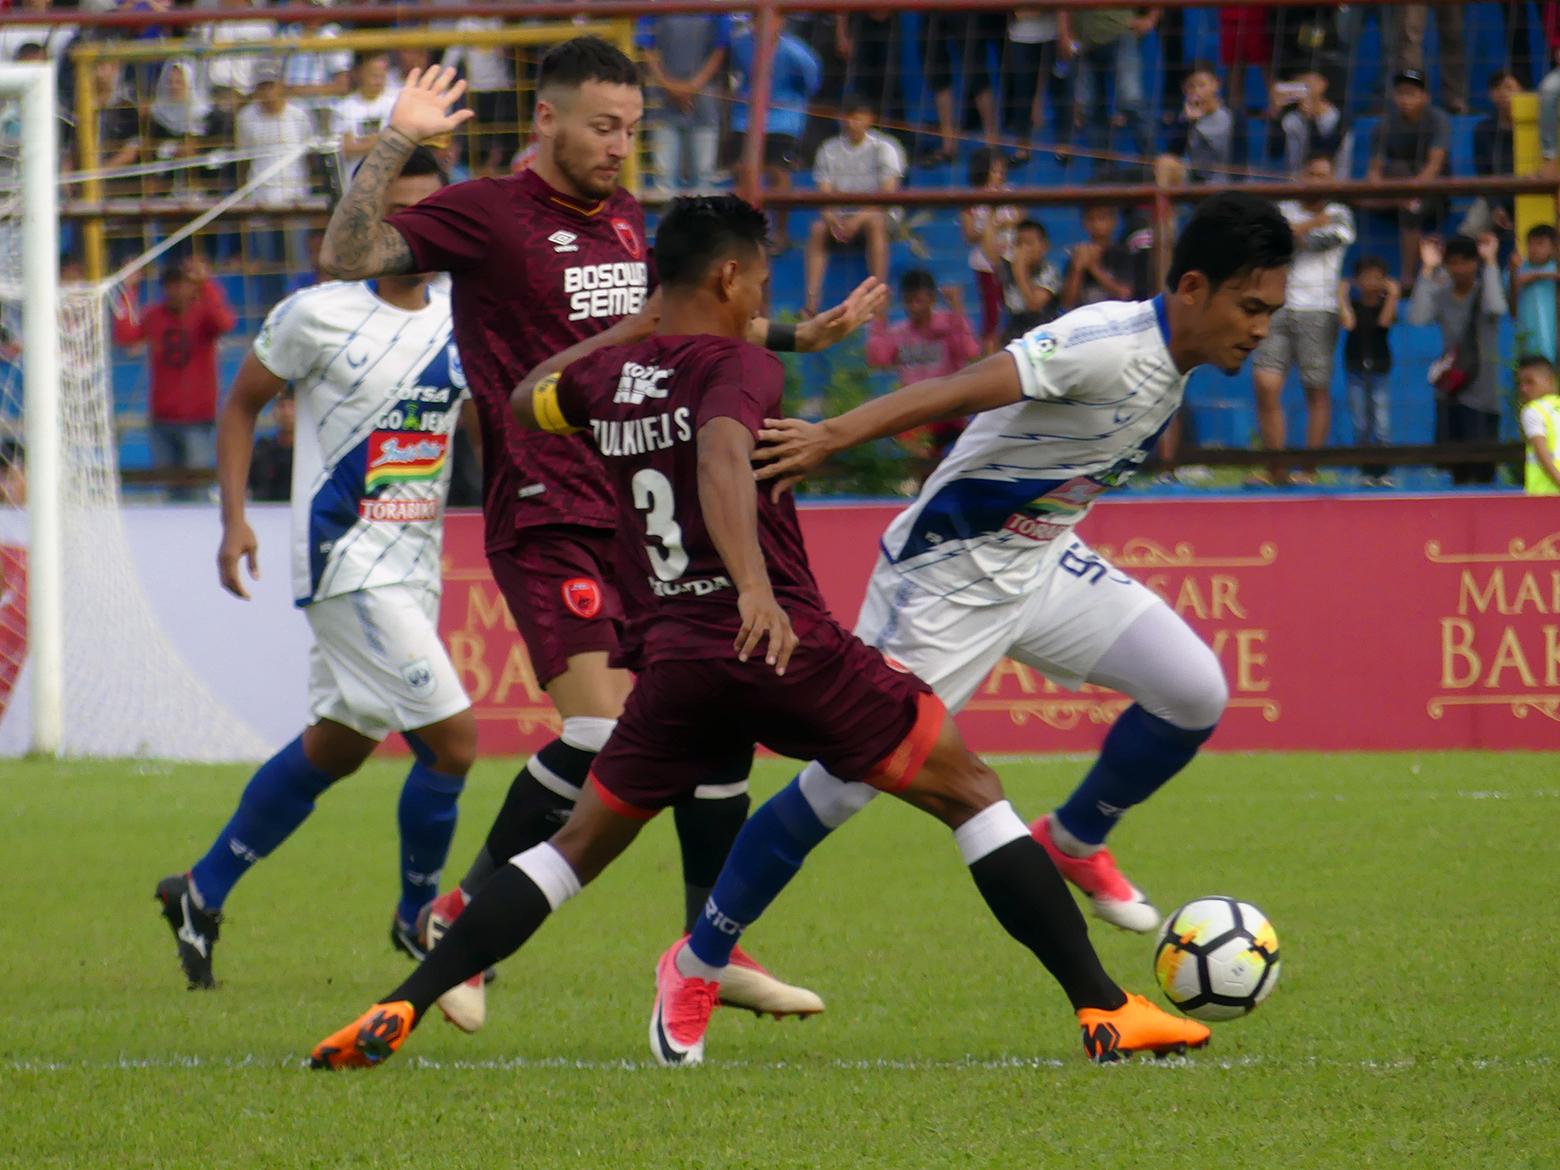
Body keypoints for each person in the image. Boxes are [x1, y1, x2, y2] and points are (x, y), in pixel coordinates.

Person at [306, 195, 1211, 1072]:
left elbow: (524, 400)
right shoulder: (739, 367)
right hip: (780, 649)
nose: (766, 303)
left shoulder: (608, 378)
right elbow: (722, 458)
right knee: (971, 792)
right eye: (764, 282)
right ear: (733, 277)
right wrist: (752, 588)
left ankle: (407, 999)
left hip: (670, 667)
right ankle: (1104, 1005)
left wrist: (625, 331)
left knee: (571, 849)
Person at [313, 39, 883, 1027]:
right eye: (602, 127)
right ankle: (461, 919)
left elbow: (669, 320)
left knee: (719, 720)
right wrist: (395, 140)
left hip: (638, 512)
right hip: (546, 511)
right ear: (547, 120)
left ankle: (715, 943)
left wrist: (793, 335)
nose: (621, 146)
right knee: (599, 730)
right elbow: (348, 254)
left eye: (631, 129)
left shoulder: (626, 217)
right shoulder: (487, 213)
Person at [694, 193, 1292, 1000]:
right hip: (947, 574)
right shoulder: (1105, 342)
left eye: (1271, 312)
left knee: (1192, 691)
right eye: (1250, 307)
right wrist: (832, 435)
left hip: (1042, 564)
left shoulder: (1176, 364)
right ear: (1192, 287)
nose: (1259, 330)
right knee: (844, 783)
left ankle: (1075, 838)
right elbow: (971, 385)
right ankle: (706, 952)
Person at [154, 150, 480, 994]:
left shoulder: (463, 313)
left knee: (341, 742)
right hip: (346, 557)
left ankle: (200, 890)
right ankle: (419, 919)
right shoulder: (319, 314)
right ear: (369, 224)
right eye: (398, 216)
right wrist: (232, 522)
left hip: (414, 564)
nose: (416, 233)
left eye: (431, 214)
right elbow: (241, 404)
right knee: (453, 740)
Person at [1251, 153, 1355, 469]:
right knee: (1265, 385)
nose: (1316, 180)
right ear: (1299, 176)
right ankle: (1276, 468)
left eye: (1323, 175)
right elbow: (1276, 242)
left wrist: (1300, 231)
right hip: (1278, 306)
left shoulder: (1341, 213)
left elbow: (1324, 241)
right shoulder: (1282, 210)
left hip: (1320, 309)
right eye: (1311, 173)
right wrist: (1309, 225)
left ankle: (1308, 470)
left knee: (1316, 390)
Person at [111, 258, 236, 502]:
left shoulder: (203, 315)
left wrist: (207, 285)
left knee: (197, 487)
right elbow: (125, 335)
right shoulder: (154, 315)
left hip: (198, 418)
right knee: (168, 490)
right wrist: (130, 290)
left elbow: (225, 322)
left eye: (183, 284)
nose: (177, 290)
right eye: (171, 285)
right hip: (162, 419)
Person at [1408, 234, 1509, 485]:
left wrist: (1492, 262)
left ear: (1475, 263)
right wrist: (1428, 270)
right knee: (1457, 474)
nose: (1460, 268)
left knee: (1484, 472)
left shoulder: (1485, 290)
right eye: (1453, 262)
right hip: (1450, 394)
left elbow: (1497, 308)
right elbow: (1417, 317)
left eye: (1466, 261)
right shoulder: (1441, 294)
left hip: (1483, 397)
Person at [866, 270, 980, 476]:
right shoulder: (899, 332)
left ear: (932, 299)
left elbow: (970, 351)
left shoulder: (948, 324)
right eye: (909, 301)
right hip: (914, 417)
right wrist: (879, 316)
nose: (914, 307)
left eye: (919, 301)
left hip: (947, 414)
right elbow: (878, 359)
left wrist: (957, 309)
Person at [805, 97, 904, 318]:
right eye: (847, 116)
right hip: (841, 217)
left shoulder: (885, 147)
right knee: (817, 229)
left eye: (857, 116)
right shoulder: (828, 149)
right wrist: (831, 218)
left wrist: (856, 220)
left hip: (878, 214)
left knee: (874, 222)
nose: (851, 122)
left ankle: (879, 299)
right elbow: (824, 194)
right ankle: (811, 303)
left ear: (869, 119)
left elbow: (887, 193)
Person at [728, 18, 821, 251]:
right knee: (741, 170)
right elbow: (733, 74)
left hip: (783, 120)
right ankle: (747, 232)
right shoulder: (740, 45)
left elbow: (813, 83)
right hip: (746, 117)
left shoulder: (795, 51)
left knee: (778, 172)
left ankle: (780, 233)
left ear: (780, 22)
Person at [1364, 70, 1450, 290]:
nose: (1405, 99)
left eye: (1411, 93)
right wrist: (1388, 188)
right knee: (1392, 178)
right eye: (1401, 93)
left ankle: (1408, 278)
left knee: (1411, 208)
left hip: (1434, 193)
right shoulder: (1384, 125)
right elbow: (1374, 172)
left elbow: (1434, 166)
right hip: (1397, 189)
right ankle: (1402, 201)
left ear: (1425, 97)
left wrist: (1412, 190)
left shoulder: (1438, 120)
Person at [639, 10, 730, 194]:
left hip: (704, 102)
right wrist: (668, 85)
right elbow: (646, 49)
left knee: (704, 177)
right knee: (664, 178)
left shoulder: (717, 7)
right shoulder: (652, 6)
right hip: (662, 103)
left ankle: (702, 222)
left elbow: (720, 49)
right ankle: (668, 223)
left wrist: (694, 86)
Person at [1339, 256, 1400, 485]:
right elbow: (1348, 324)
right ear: (1356, 281)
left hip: (1379, 370)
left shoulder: (1386, 306)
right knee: (1360, 423)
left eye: (1377, 277)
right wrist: (1341, 296)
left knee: (1381, 422)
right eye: (1366, 277)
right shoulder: (1353, 306)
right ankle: (1364, 470)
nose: (1372, 281)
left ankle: (1384, 471)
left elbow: (1384, 323)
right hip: (1355, 369)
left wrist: (1393, 294)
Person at [959, 148, 1020, 353]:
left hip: (1011, 259)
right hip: (985, 264)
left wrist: (995, 224)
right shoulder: (972, 202)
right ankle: (989, 352)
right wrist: (992, 223)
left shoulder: (1010, 193)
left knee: (1012, 307)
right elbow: (968, 235)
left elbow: (1019, 218)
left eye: (1001, 172)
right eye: (994, 171)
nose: (999, 176)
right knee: (992, 311)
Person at [440, 17, 517, 178]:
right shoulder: (465, 24)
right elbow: (452, 57)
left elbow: (507, 57)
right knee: (474, 138)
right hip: (476, 89)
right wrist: (442, 79)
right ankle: (473, 175)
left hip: (500, 88)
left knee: (499, 137)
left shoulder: (498, 22)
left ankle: (494, 174)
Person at [1461, 71, 1522, 242]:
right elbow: (1483, 175)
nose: (1503, 94)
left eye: (1509, 88)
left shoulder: (1537, 127)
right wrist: (1495, 206)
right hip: (1497, 194)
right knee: (1470, 230)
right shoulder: (1483, 130)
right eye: (1497, 88)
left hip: (1530, 193)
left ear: (1523, 91)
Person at [1154, 67, 1235, 189]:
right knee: (1165, 162)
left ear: (1216, 85)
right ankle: (1165, 207)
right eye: (1191, 86)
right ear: (1184, 89)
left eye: (1202, 85)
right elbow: (1174, 153)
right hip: (1195, 178)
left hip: (1225, 179)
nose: (1196, 91)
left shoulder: (1231, 115)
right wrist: (1188, 123)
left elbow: (1238, 155)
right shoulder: (1185, 116)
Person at [1272, 69, 1351, 178]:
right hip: (1297, 185)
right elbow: (1274, 152)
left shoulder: (1339, 117)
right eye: (1298, 82)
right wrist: (1276, 113)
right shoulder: (1291, 119)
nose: (1303, 86)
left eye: (1307, 82)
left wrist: (1310, 119)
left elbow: (1323, 156)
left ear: (1322, 84)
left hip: (1333, 185)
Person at [993, 219, 1063, 341]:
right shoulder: (1006, 269)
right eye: (1019, 244)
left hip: (1042, 332)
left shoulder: (1049, 271)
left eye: (1029, 243)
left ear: (1044, 246)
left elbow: (1034, 305)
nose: (1023, 249)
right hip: (1014, 331)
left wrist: (1020, 272)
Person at [335, 51, 400, 179]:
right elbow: (346, 149)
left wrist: (364, 142)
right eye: (374, 75)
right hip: (355, 178)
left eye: (382, 75)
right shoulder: (344, 107)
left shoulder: (396, 101)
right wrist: (383, 139)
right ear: (359, 74)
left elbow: (401, 143)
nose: (379, 80)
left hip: (390, 177)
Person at [1062, 202, 1135, 310]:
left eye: (1102, 218)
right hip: (1085, 319)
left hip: (1115, 318)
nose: (1096, 224)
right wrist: (1077, 269)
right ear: (1084, 223)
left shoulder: (1123, 254)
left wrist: (1093, 268)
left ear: (1113, 221)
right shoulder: (1078, 255)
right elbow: (1067, 304)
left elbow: (1124, 294)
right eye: (1091, 219)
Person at [1510, 224, 1558, 364]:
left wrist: (1538, 276)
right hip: (1526, 339)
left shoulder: (1555, 267)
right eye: (1530, 244)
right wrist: (1517, 274)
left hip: (1553, 339)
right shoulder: (1518, 269)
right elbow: (1512, 310)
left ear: (1553, 247)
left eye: (1540, 244)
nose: (1534, 249)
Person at [1517, 355, 1560, 495]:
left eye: (1530, 382)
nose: (1524, 388)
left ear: (1550, 380)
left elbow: (1542, 455)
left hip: (1543, 497)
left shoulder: (1533, 410)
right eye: (1520, 383)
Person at [246, 387, 294, 503]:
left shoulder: (311, 453)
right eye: (281, 406)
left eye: (292, 406)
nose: (286, 413)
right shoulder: (262, 450)